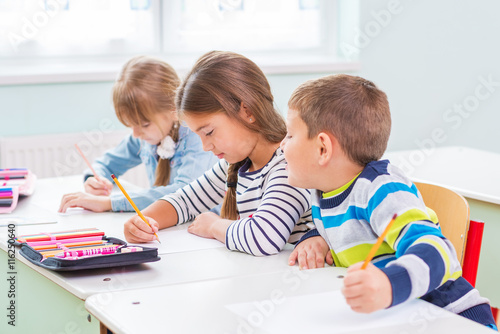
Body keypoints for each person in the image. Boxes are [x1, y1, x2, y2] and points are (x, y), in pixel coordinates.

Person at [281, 74, 496, 328]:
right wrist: (315, 238)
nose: (282, 145)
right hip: (394, 319)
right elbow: (343, 227)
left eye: (290, 135)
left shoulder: (381, 190)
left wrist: (388, 284)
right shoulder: (323, 191)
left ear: (323, 149)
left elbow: (439, 252)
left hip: (449, 317)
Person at [123, 51, 312, 256]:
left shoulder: (288, 165)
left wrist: (215, 226)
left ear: (247, 111)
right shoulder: (237, 165)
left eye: (209, 132)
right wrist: (143, 221)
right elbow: (185, 201)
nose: (205, 146)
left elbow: (263, 238)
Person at [59, 56, 218, 213]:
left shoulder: (197, 138)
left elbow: (183, 193)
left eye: (144, 124)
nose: (135, 134)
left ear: (173, 109)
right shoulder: (145, 139)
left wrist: (109, 202)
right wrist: (94, 179)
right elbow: (106, 164)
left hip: (202, 230)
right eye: (131, 125)